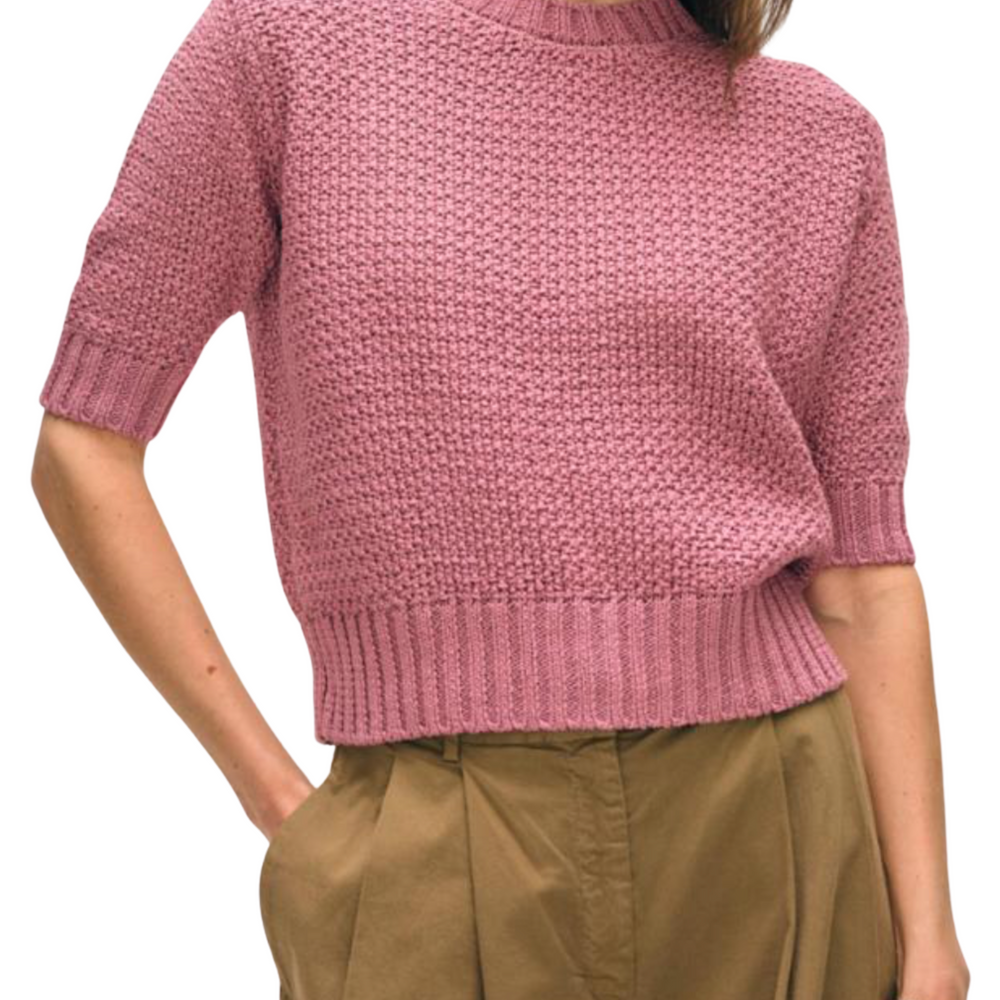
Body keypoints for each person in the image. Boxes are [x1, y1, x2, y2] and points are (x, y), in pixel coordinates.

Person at [30, 0, 970, 997]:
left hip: (771, 818)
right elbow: (83, 446)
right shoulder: (287, 47)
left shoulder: (819, 137)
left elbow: (863, 574)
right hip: (428, 833)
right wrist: (282, 807)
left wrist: (929, 939)